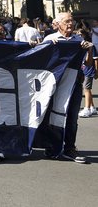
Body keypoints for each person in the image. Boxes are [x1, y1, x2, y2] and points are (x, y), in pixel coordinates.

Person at [41, 12, 93, 164]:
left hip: (73, 84)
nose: (70, 24)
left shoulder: (78, 40)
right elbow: (40, 62)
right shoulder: (50, 39)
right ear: (57, 24)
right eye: (67, 21)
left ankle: (70, 148)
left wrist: (89, 49)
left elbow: (88, 64)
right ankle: (51, 147)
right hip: (53, 85)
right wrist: (49, 48)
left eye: (72, 21)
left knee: (72, 117)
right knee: (52, 115)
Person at [77, 26, 98, 118]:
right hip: (83, 69)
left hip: (89, 70)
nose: (79, 36)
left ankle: (87, 109)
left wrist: (97, 71)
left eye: (81, 34)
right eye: (77, 34)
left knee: (86, 89)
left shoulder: (90, 45)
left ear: (85, 35)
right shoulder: (80, 45)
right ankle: (92, 107)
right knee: (87, 89)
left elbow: (96, 59)